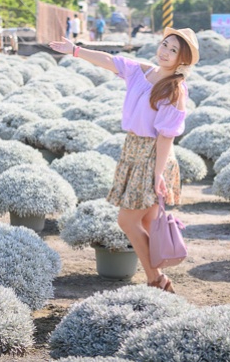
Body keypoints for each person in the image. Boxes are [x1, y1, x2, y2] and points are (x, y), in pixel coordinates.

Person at [49, 27, 199, 293]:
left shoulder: (175, 89)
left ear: (182, 60)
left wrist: (158, 174)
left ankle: (156, 280)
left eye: (173, 50)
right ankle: (159, 282)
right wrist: (75, 50)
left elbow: (166, 137)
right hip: (133, 150)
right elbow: (110, 61)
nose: (165, 52)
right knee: (144, 223)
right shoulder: (143, 71)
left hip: (153, 157)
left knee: (127, 222)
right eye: (165, 45)